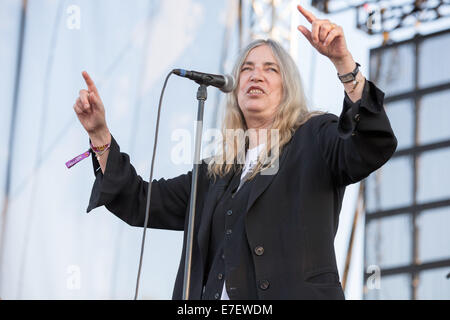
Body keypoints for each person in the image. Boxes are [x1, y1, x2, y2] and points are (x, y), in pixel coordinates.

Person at [73, 5, 397, 300]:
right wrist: (100, 135)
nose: (256, 75)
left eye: (270, 69)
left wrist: (343, 64)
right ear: (235, 87)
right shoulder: (218, 172)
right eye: (247, 69)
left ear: (288, 87)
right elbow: (140, 201)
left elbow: (370, 146)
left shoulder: (314, 137)